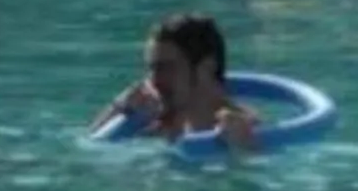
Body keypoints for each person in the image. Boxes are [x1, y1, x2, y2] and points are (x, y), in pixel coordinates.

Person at [88, 12, 257, 153]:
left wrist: (243, 152)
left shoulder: (241, 128)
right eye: (152, 69)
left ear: (206, 68)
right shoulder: (157, 124)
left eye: (166, 68)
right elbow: (93, 148)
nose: (154, 80)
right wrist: (119, 108)